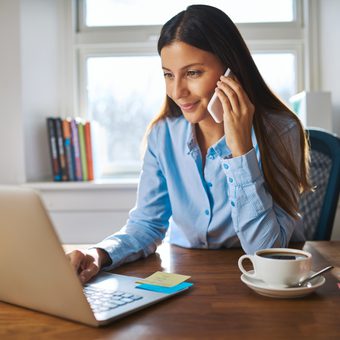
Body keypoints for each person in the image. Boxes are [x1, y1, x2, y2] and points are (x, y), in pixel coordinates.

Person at [67, 4, 311, 284]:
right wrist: (99, 255)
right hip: (185, 278)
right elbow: (147, 224)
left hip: (263, 284)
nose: (177, 91)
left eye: (193, 73)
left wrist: (241, 150)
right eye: (168, 74)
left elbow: (265, 251)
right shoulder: (163, 134)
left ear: (231, 70)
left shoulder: (280, 131)